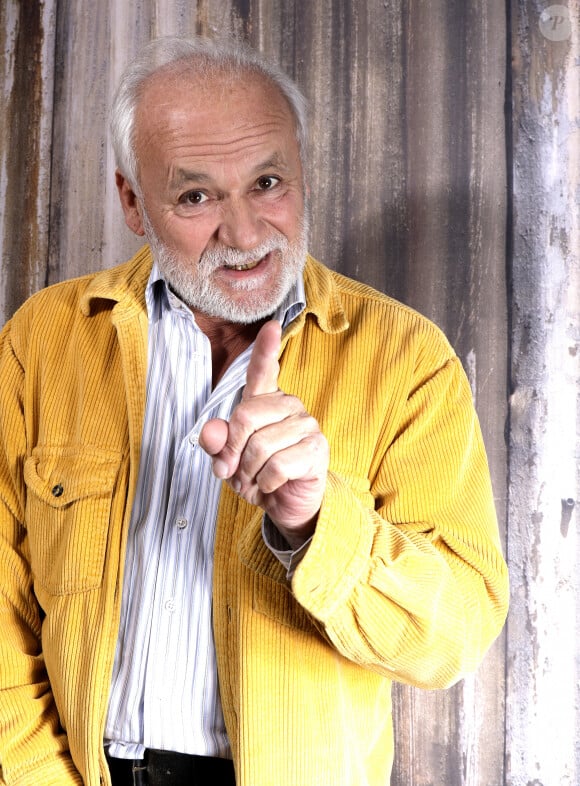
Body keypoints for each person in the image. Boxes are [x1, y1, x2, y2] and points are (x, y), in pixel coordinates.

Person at [0, 35, 509, 786]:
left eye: (268, 182)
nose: (243, 236)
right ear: (133, 202)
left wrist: (314, 525)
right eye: (196, 195)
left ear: (303, 172)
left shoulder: (406, 358)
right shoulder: (43, 339)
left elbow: (455, 636)